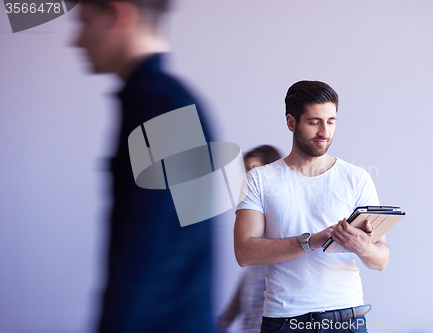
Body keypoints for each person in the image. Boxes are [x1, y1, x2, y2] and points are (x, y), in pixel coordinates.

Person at [72, 0, 215, 332]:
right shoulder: (168, 100)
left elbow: (149, 249)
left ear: (120, 15)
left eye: (85, 21)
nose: (77, 40)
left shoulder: (156, 104)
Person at [234, 81, 390, 333]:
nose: (324, 132)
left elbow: (382, 260)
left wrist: (363, 248)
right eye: (314, 121)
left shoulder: (357, 178)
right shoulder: (260, 179)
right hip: (285, 321)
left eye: (331, 121)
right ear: (291, 122)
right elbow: (244, 252)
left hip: (346, 319)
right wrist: (311, 241)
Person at [217, 145, 281, 333]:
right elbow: (252, 273)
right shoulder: (255, 220)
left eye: (253, 170)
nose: (246, 177)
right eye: (245, 170)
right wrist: (226, 318)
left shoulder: (284, 223)